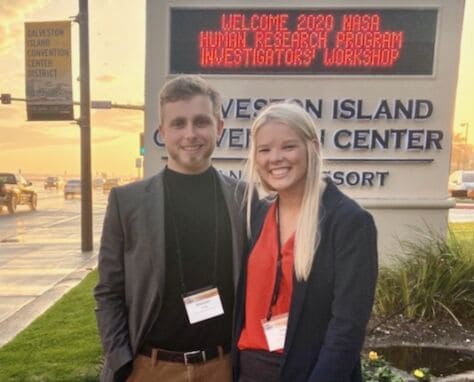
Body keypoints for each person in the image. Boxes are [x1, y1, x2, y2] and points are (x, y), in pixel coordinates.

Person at [94, 75, 245, 382]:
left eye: (201, 122)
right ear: (162, 132)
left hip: (224, 367)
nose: (190, 134)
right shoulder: (128, 202)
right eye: (178, 124)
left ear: (219, 127)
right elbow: (108, 291)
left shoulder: (245, 199)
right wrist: (121, 360)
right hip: (150, 367)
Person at [233, 102, 378, 382]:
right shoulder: (257, 214)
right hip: (250, 370)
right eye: (264, 150)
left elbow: (347, 327)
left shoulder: (348, 222)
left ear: (313, 147)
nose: (275, 158)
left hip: (311, 372)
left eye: (288, 147)